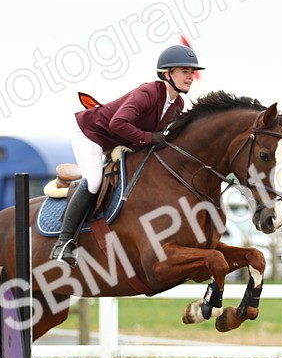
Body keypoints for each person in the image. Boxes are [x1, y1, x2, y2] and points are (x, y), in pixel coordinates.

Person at [49, 44, 205, 265]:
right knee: (94, 181)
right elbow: (117, 123)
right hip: (92, 134)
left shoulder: (177, 103)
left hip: (118, 141)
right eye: (184, 71)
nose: (190, 77)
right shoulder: (148, 93)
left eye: (192, 72)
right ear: (166, 74)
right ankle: (63, 243)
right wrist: (150, 138)